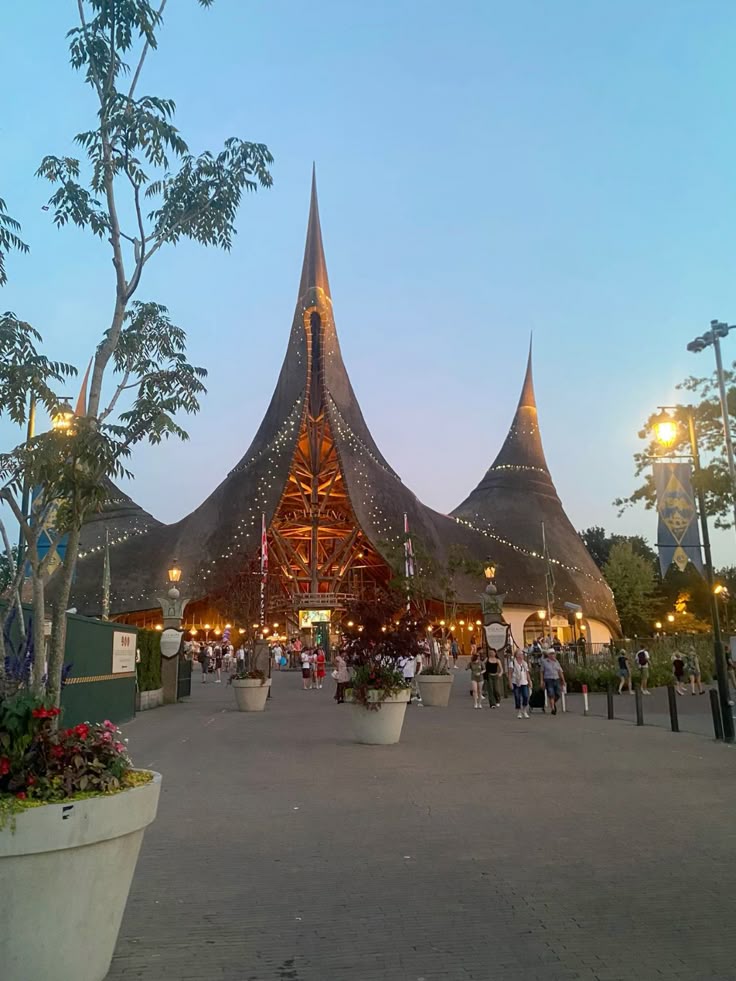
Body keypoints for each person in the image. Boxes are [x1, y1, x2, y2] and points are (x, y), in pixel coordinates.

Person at [541, 649, 566, 716]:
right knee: (551, 693)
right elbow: (542, 672)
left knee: (558, 693)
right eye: (551, 654)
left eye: (553, 654)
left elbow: (560, 671)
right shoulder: (544, 662)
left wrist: (563, 680)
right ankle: (553, 709)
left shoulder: (556, 662)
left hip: (556, 679)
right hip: (548, 679)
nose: (552, 655)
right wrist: (542, 681)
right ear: (548, 655)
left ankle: (552, 702)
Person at [509, 649, 531, 719]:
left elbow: (527, 673)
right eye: (520, 654)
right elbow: (510, 674)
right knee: (517, 697)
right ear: (516, 655)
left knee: (526, 696)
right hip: (516, 682)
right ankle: (519, 711)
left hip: (524, 682)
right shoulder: (512, 663)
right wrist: (510, 683)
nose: (521, 656)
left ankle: (524, 710)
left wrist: (529, 681)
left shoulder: (524, 663)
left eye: (522, 654)